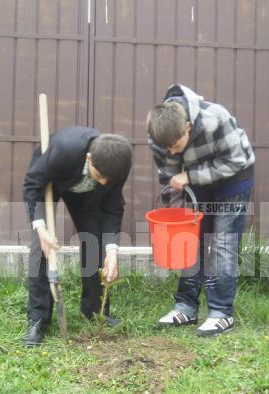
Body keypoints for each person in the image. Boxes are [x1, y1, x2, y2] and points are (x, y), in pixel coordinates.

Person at [147, 84, 255, 337]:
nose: (172, 151)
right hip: (194, 184)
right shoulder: (158, 136)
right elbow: (169, 176)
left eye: (176, 145)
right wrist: (176, 216)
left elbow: (235, 161)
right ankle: (186, 306)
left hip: (233, 180)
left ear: (188, 128)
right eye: (167, 148)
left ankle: (220, 312)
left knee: (221, 244)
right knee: (190, 241)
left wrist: (191, 175)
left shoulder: (215, 118)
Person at [22, 128, 132, 346]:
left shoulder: (117, 165)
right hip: (51, 181)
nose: (104, 182)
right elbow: (31, 186)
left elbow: (113, 208)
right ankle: (37, 319)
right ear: (89, 158)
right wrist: (40, 228)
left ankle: (93, 310)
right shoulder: (64, 149)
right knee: (40, 248)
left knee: (94, 242)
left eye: (107, 180)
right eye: (100, 176)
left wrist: (112, 250)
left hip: (85, 192)